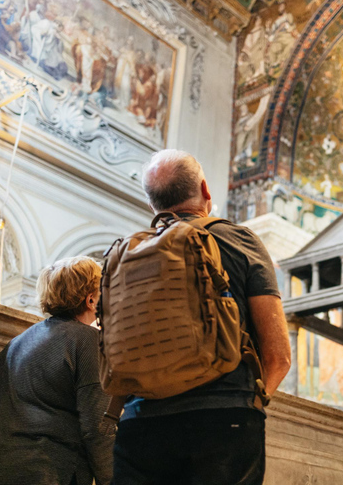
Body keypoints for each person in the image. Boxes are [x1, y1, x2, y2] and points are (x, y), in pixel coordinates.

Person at [112, 150, 291, 485]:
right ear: (206, 191)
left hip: (140, 422)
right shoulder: (241, 241)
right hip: (223, 421)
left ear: (152, 203)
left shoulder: (129, 253)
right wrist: (251, 402)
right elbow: (279, 355)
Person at [0, 256, 114, 485]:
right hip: (51, 474)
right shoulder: (89, 341)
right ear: (91, 300)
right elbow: (97, 426)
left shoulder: (18, 342)